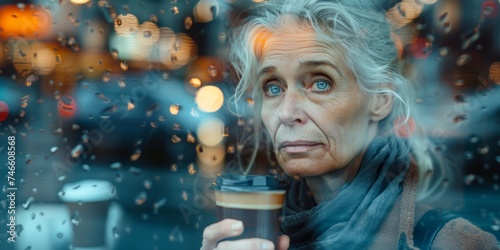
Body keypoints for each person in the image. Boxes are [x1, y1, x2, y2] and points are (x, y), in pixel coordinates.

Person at [200, 0, 499, 249]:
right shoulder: (262, 232)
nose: (287, 113)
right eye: (273, 87)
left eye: (320, 83)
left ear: (380, 99)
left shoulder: (450, 242)